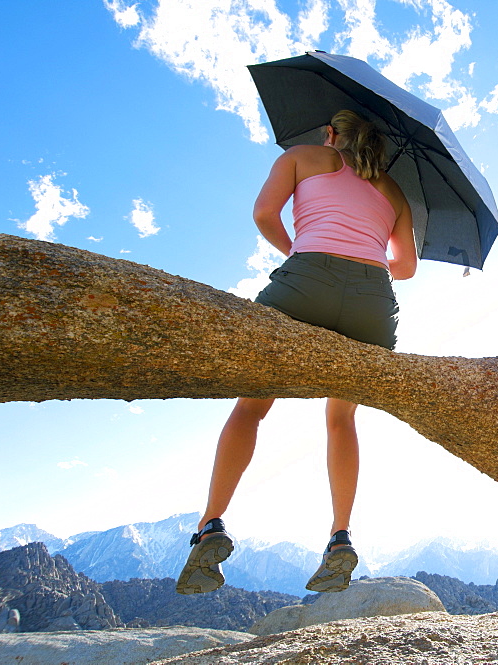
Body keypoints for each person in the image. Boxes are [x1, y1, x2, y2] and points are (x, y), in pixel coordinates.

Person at [175, 110, 417, 595]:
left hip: (305, 280)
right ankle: (340, 537)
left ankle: (211, 524)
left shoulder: (302, 157)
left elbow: (264, 215)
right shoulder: (394, 191)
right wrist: (366, 249)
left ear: (330, 133)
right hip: (372, 303)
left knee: (252, 405)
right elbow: (406, 267)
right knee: (341, 420)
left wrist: (301, 251)